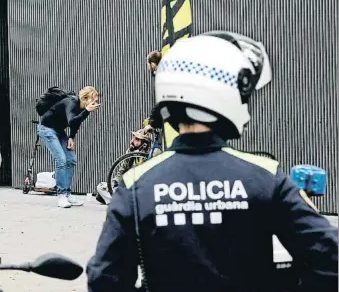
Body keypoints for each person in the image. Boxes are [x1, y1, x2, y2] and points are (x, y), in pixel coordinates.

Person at [87, 32, 338, 292]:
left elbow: (105, 278)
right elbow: (329, 258)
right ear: (225, 93)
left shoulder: (135, 184)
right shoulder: (265, 176)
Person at [38, 86, 100, 208]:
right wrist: (86, 111)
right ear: (85, 98)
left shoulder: (82, 108)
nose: (95, 103)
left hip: (59, 130)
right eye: (93, 100)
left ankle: (67, 193)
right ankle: (61, 195)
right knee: (61, 159)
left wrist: (71, 137)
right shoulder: (71, 103)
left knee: (71, 159)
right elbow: (72, 121)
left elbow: (76, 124)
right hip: (47, 129)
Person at [95, 128, 156, 205]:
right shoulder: (129, 152)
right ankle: (118, 201)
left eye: (137, 139)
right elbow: (122, 170)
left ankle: (117, 201)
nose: (133, 140)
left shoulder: (149, 155)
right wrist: (113, 182)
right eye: (133, 137)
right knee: (101, 186)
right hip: (126, 186)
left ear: (144, 143)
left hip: (139, 188)